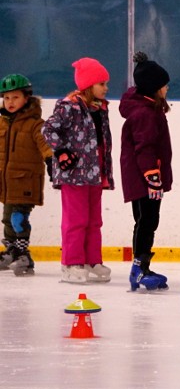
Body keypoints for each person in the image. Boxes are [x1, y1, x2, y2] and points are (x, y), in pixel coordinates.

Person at [43, 58, 115, 284]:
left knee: (94, 220)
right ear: (88, 85)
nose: (106, 88)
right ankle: (71, 262)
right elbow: (48, 129)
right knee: (76, 219)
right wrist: (62, 151)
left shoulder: (100, 108)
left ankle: (91, 260)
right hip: (74, 173)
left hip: (95, 172)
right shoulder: (69, 106)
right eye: (101, 83)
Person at [119, 52, 172, 291]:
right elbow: (145, 148)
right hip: (144, 179)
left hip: (143, 178)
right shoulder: (145, 113)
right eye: (163, 85)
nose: (167, 88)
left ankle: (142, 267)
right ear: (153, 88)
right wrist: (153, 178)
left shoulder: (147, 108)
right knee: (146, 220)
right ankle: (139, 270)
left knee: (147, 221)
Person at [0, 74, 53, 276]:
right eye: (6, 98)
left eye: (15, 97)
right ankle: (11, 250)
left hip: (25, 180)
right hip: (6, 182)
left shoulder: (35, 124)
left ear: (26, 98)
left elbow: (45, 144)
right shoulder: (2, 123)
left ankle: (24, 254)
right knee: (7, 218)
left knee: (17, 218)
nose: (10, 102)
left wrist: (50, 160)